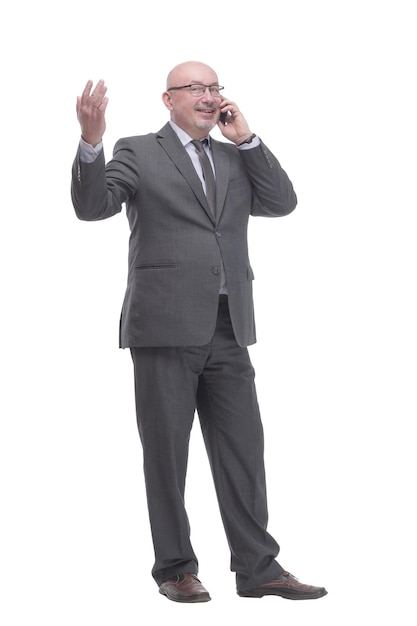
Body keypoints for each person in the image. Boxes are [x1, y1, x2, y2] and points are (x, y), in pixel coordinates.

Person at [71, 60, 327, 603]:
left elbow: (282, 203)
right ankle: (175, 568)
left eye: (215, 88)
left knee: (243, 449)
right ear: (169, 100)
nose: (209, 96)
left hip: (230, 324)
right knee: (167, 453)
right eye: (196, 88)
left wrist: (250, 139)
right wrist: (91, 144)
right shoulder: (139, 150)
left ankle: (258, 567)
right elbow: (93, 207)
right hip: (163, 327)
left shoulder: (236, 157)